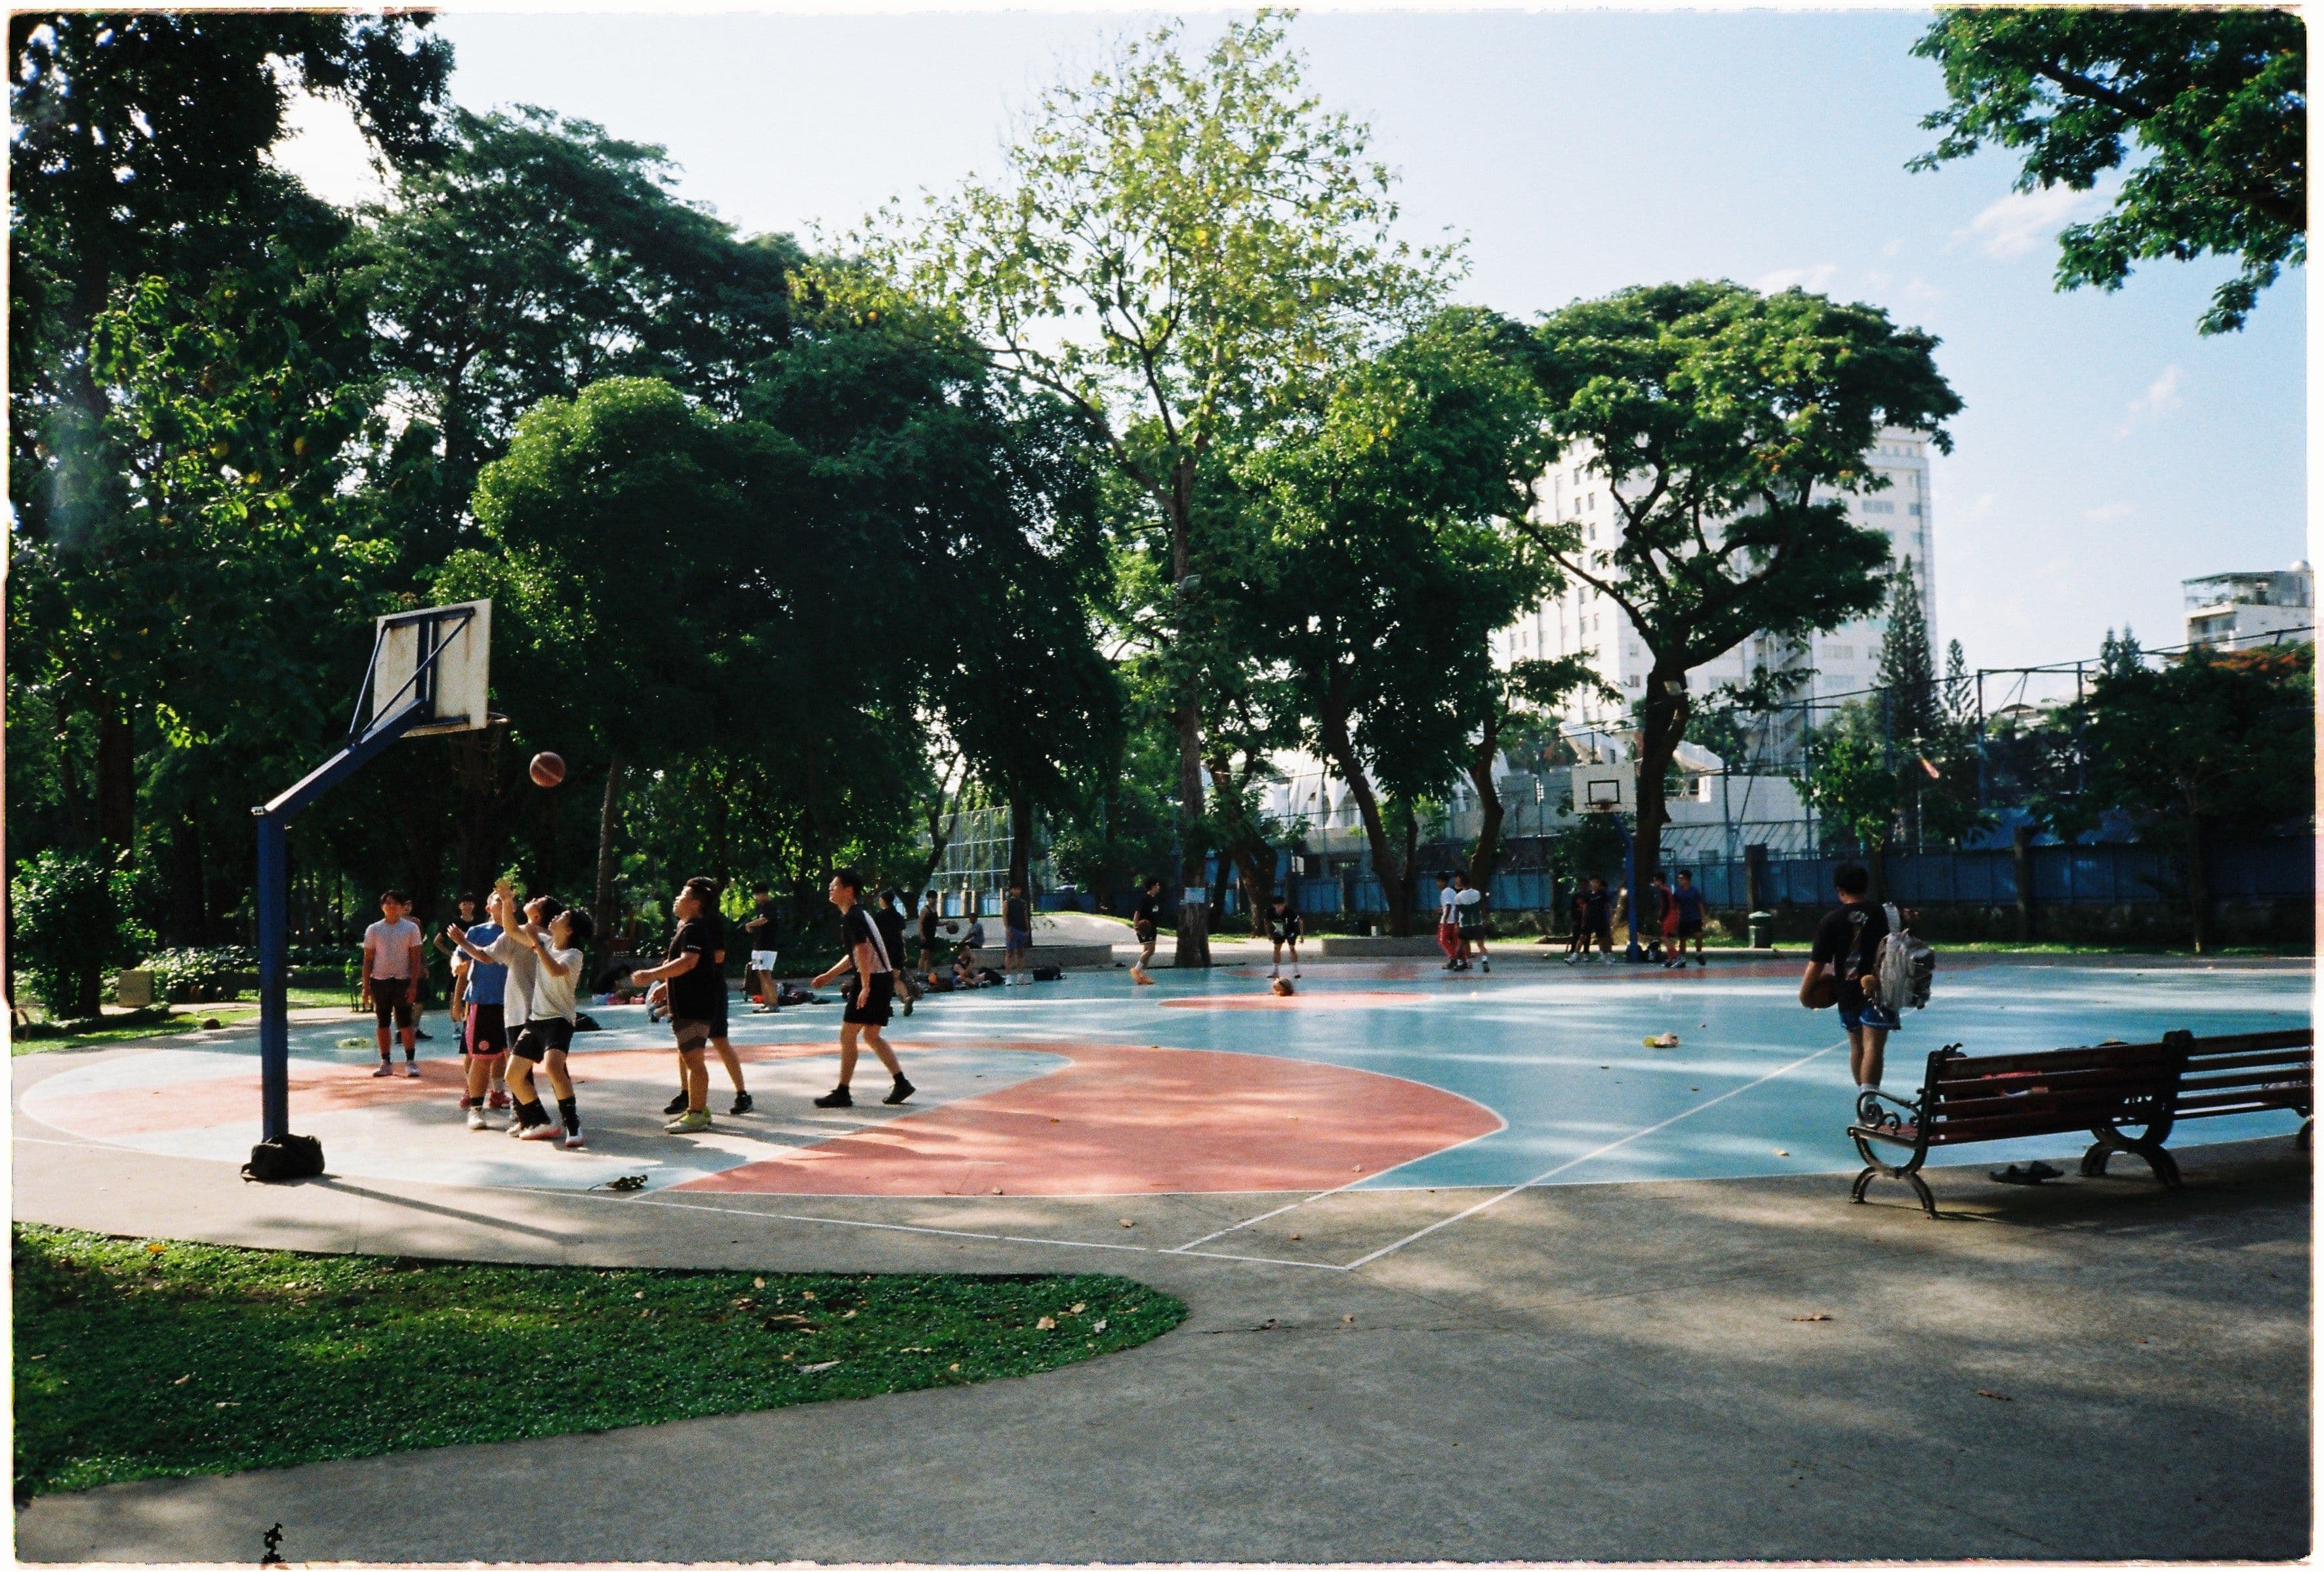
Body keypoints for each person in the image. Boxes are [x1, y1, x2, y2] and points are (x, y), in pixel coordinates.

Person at [628, 877, 728, 1134]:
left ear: (695, 903)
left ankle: (696, 1113)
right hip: (688, 1004)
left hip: (695, 1004)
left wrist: (651, 975)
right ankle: (698, 1108)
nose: (677, 898)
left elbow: (689, 962)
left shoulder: (694, 928)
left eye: (682, 895)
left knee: (694, 1060)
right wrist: (665, 985)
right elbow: (689, 966)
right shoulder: (689, 927)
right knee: (690, 1057)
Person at [809, 867, 915, 1108]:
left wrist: (865, 986)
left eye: (834, 886)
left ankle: (843, 1092)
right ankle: (901, 1083)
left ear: (848, 891)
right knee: (870, 1035)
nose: (830, 889)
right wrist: (829, 975)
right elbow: (856, 954)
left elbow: (862, 952)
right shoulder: (858, 914)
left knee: (848, 1035)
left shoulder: (852, 917)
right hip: (881, 978)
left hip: (874, 980)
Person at [1803, 862, 1898, 1110]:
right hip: (1881, 989)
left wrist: (1805, 995)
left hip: (1845, 991)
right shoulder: (1884, 914)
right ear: (1866, 887)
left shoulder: (1830, 921)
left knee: (1857, 1046)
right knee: (1874, 1047)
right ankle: (1869, 1103)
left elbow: (1817, 964)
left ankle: (1864, 1101)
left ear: (1838, 889)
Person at [445, 892, 512, 1127]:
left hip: (513, 1003)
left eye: (508, 900)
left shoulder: (519, 934)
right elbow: (459, 958)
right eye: (498, 900)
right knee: (479, 1055)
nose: (504, 903)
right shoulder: (477, 932)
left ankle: (501, 1093)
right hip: (482, 1001)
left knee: (508, 1054)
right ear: (488, 907)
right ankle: (475, 1106)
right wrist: (457, 968)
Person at [363, 890, 426, 1078]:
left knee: (405, 1022)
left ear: (402, 907)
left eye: (396, 904)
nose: (392, 907)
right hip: (380, 980)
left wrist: (414, 984)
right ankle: (385, 1061)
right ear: (382, 906)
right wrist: (366, 986)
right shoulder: (373, 929)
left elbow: (415, 959)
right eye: (388, 903)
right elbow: (368, 959)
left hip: (402, 980)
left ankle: (410, 1061)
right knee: (383, 1021)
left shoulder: (411, 929)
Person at [876, 889, 920, 1017]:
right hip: (897, 951)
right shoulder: (898, 916)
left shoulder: (879, 916)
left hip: (884, 952)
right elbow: (901, 936)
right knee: (895, 979)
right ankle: (906, 998)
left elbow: (875, 935)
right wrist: (904, 952)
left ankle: (886, 1007)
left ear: (883, 900)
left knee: (882, 980)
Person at [743, 883, 782, 1015]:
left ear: (764, 894)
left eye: (758, 895)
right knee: (760, 974)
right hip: (758, 945)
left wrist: (750, 924)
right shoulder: (760, 907)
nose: (757, 898)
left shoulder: (770, 907)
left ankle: (774, 1004)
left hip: (768, 946)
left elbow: (764, 920)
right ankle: (767, 1003)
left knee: (766, 973)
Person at [1668, 870, 1708, 969]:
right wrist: (1675, 917)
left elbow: (1700, 905)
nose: (1679, 881)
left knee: (1698, 935)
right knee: (1683, 939)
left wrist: (1703, 918)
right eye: (1679, 879)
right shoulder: (1677, 891)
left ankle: (1699, 954)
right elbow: (1674, 905)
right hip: (1684, 918)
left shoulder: (1694, 891)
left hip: (1695, 917)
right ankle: (1682, 959)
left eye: (1682, 879)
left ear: (1688, 880)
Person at [1130, 876, 1163, 986]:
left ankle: (1141, 976)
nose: (1159, 887)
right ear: (1153, 886)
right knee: (1151, 950)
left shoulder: (1153, 899)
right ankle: (1137, 970)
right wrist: (1136, 927)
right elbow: (1137, 913)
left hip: (1152, 929)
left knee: (1146, 951)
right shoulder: (1146, 899)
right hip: (1145, 928)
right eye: (1157, 885)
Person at [1265, 891, 1303, 979]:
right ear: (1274, 905)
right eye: (1277, 905)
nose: (1279, 907)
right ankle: (1275, 970)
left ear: (1284, 905)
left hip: (1291, 929)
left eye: (1281, 905)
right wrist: (1268, 934)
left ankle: (1296, 970)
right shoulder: (1270, 912)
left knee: (1292, 948)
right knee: (1276, 949)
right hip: (1279, 928)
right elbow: (1266, 922)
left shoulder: (1290, 912)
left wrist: (1302, 936)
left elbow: (1300, 921)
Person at [1456, 876, 1490, 974]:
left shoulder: (1458, 896)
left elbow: (1457, 912)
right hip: (1477, 923)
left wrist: (1457, 924)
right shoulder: (1477, 893)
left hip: (1465, 924)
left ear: (1461, 884)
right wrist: (1484, 919)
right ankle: (1484, 961)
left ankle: (1460, 963)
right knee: (1481, 945)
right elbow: (1482, 906)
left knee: (1460, 945)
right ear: (1470, 882)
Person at [1002, 882, 1032, 987]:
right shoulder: (1007, 903)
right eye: (1015, 889)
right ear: (1011, 890)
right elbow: (1005, 917)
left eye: (1019, 889)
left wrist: (1028, 929)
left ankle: (1020, 976)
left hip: (1022, 930)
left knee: (1020, 953)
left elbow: (1025, 917)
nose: (1017, 891)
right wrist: (1008, 929)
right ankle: (1008, 977)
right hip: (1012, 929)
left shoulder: (1023, 903)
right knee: (1009, 953)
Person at [1583, 876, 1615, 963]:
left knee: (1605, 937)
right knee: (1599, 937)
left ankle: (1609, 955)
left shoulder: (1604, 895)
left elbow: (1609, 906)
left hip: (1603, 919)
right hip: (1594, 919)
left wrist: (1610, 918)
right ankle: (1603, 954)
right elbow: (1586, 908)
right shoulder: (1590, 895)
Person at [1646, 870, 1675, 963]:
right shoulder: (1665, 890)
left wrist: (1661, 919)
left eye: (1655, 880)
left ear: (1660, 881)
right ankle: (1670, 959)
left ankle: (1677, 957)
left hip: (1669, 916)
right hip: (1670, 915)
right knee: (1667, 938)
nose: (1654, 883)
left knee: (1665, 938)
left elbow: (1666, 906)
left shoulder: (1663, 891)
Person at [1435, 874, 1462, 969]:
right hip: (1455, 919)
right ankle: (1460, 960)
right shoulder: (1451, 891)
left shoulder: (1445, 892)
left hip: (1448, 920)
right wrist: (1442, 909)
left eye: (1439, 882)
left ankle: (1453, 958)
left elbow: (1449, 905)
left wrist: (1445, 918)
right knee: (1455, 941)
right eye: (1437, 881)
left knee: (1442, 940)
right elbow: (1452, 905)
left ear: (1445, 882)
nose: (1438, 884)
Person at [1562, 881, 1591, 964]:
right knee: (1576, 936)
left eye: (1585, 885)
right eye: (1581, 885)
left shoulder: (1589, 895)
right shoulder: (1575, 896)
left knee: (1587, 937)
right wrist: (1573, 920)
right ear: (1579, 886)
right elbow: (1572, 909)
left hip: (1586, 919)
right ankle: (1573, 953)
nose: (1583, 887)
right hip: (1577, 919)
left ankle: (1585, 953)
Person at [916, 890, 941, 975]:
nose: (933, 900)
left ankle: (927, 974)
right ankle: (920, 974)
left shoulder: (934, 910)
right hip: (925, 935)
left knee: (930, 957)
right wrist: (922, 935)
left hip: (932, 935)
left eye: (935, 898)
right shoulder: (925, 910)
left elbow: (937, 923)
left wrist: (947, 923)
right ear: (928, 899)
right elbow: (920, 923)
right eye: (932, 898)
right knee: (924, 955)